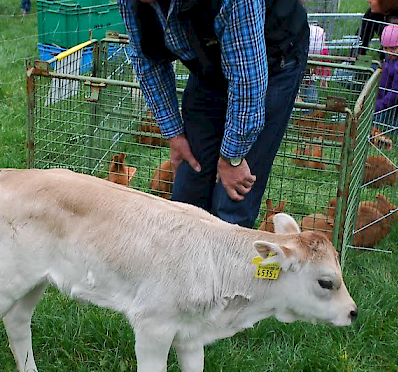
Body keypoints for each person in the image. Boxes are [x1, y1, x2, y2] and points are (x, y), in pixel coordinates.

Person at [118, 0, 309, 228]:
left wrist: (233, 157)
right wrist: (175, 134)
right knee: (189, 187)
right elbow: (147, 60)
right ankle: (184, 260)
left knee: (233, 196)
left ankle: (227, 255)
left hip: (271, 61)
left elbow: (248, 80)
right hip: (207, 63)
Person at [374, 24, 398, 127]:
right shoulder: (393, 58)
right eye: (385, 48)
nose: (389, 52)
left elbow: (396, 93)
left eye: (393, 48)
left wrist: (378, 106)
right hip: (382, 101)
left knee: (369, 120)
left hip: (393, 111)